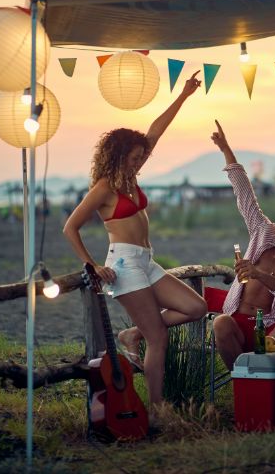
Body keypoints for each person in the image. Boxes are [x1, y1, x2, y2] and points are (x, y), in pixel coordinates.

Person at [63, 73, 208, 408]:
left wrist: (184, 95)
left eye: (142, 156)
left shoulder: (130, 176)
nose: (140, 161)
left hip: (146, 261)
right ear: (118, 156)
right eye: (134, 157)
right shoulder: (104, 187)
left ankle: (133, 334)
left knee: (196, 307)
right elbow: (70, 227)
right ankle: (158, 410)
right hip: (124, 264)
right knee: (159, 338)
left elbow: (156, 130)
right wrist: (93, 265)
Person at [210, 120, 275, 370]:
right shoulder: (264, 232)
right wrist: (226, 148)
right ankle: (244, 377)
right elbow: (245, 194)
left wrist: (257, 273)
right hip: (237, 322)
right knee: (220, 323)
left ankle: (264, 369)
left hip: (270, 328)